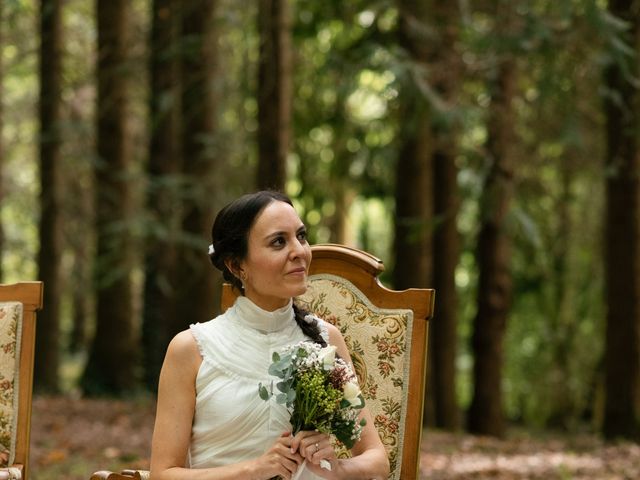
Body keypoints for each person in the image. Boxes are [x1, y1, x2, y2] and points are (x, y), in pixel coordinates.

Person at [149, 191, 390, 480]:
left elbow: (377, 460)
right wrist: (253, 470)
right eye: (279, 242)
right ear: (237, 266)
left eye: (301, 236)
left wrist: (336, 468)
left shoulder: (327, 340)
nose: (299, 251)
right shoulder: (191, 349)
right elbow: (163, 474)